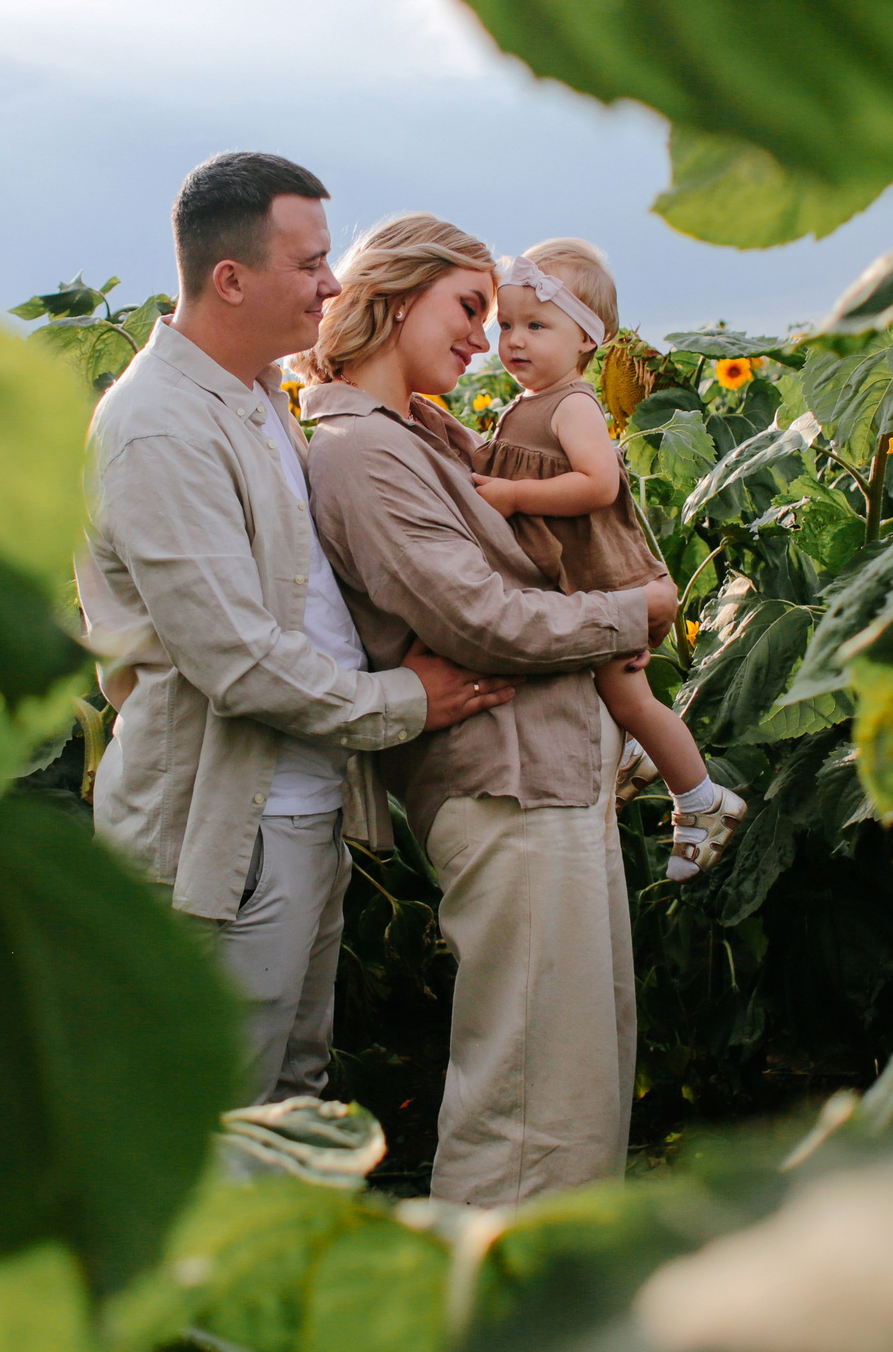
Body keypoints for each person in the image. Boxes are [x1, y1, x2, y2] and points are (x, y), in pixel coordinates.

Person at [77, 153, 514, 1107]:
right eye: (310, 263)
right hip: (221, 834)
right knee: (222, 1115)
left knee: (292, 1091)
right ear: (231, 279)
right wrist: (406, 699)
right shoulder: (159, 426)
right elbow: (235, 659)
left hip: (299, 813)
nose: (333, 284)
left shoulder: (257, 393)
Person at [297, 214, 679, 1207]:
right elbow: (479, 618)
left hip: (549, 775)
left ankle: (555, 1277)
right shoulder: (357, 452)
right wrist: (632, 611)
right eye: (469, 309)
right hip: (505, 786)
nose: (485, 336)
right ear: (394, 297)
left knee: (579, 1069)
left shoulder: (422, 432)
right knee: (528, 1096)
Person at [471, 239, 748, 880]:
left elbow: (598, 485)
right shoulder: (525, 405)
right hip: (579, 586)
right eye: (506, 325)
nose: (515, 340)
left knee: (632, 702)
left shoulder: (572, 405)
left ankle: (702, 801)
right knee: (607, 694)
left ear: (586, 340)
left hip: (607, 581)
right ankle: (633, 759)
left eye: (537, 326)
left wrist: (513, 494)